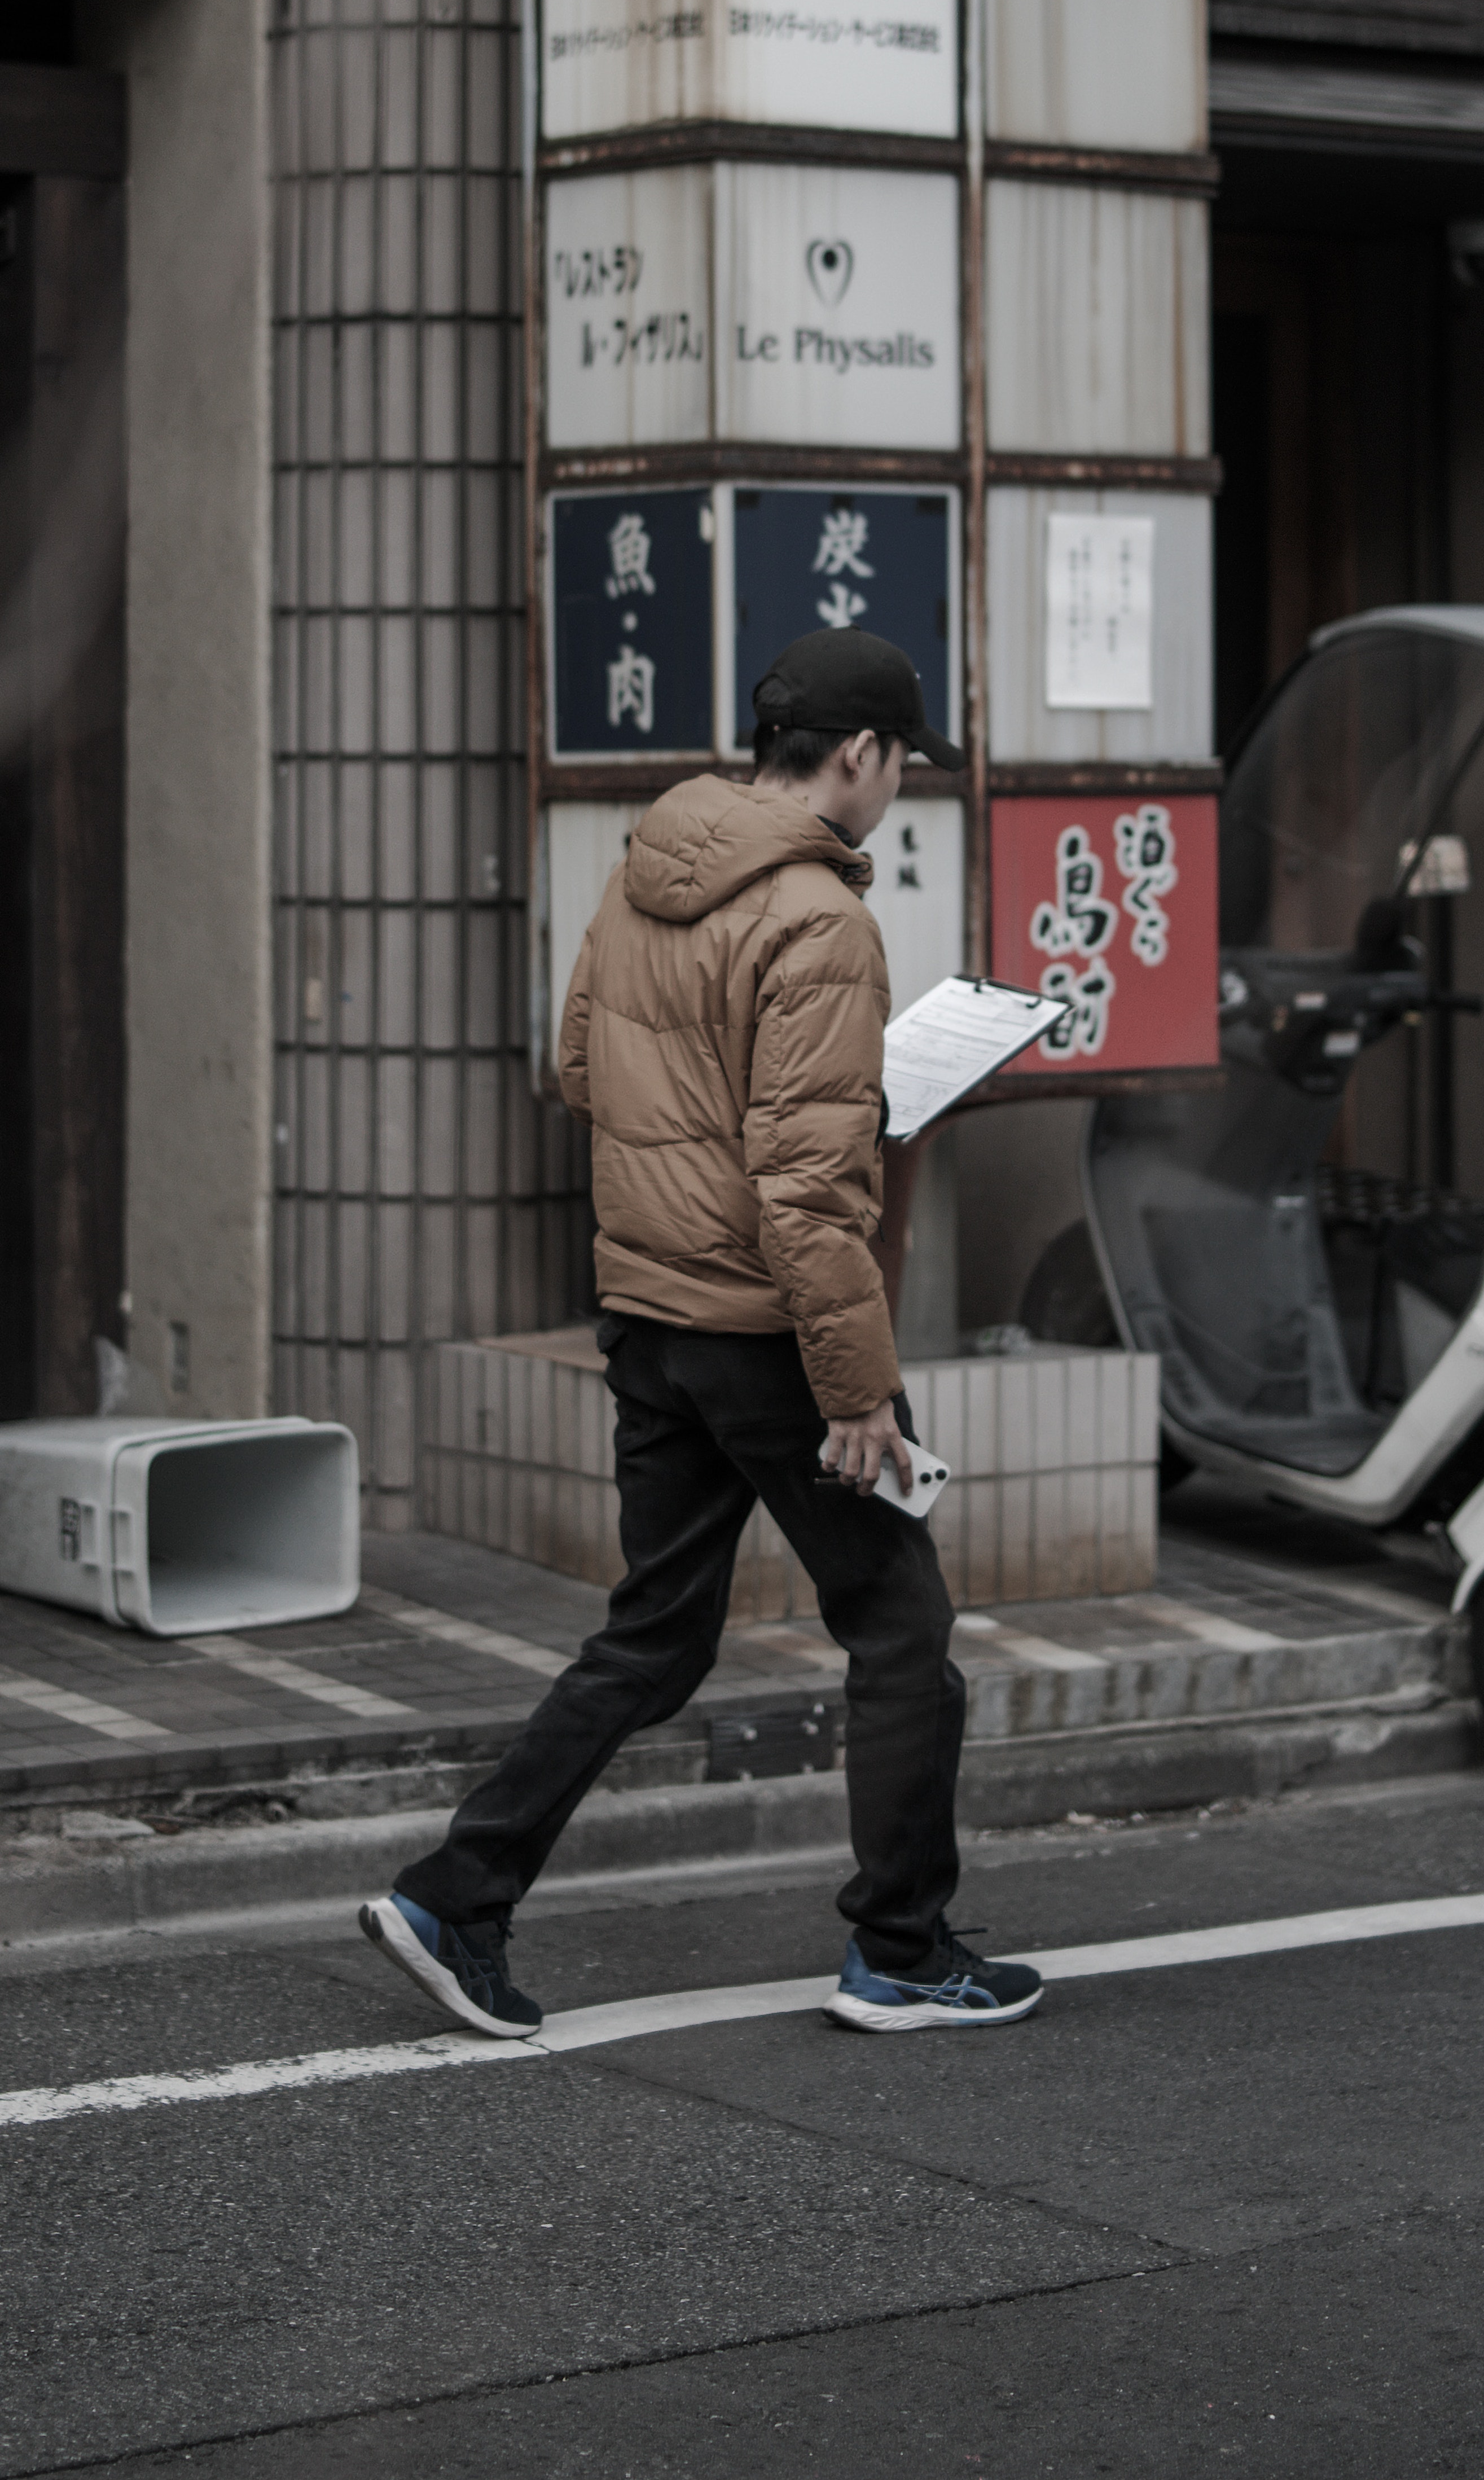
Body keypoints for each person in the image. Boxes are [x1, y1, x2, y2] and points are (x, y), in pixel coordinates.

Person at [359, 627, 1043, 2040]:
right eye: (904, 760)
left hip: (651, 1311)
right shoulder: (821, 921)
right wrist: (858, 1390)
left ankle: (453, 1896)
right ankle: (902, 1952)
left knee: (657, 1639)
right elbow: (804, 1189)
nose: (901, 784)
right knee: (902, 1622)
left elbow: (577, 1067)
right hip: (767, 1327)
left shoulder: (644, 870)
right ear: (858, 755)